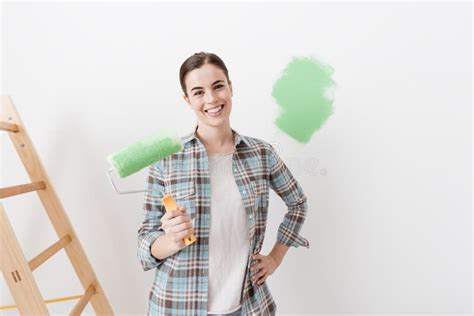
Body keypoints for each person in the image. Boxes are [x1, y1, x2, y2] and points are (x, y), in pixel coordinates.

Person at [137, 52, 310, 316]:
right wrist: (171, 241)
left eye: (218, 86)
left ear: (230, 88)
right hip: (177, 306)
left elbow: (297, 203)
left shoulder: (261, 154)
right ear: (187, 100)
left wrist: (275, 257)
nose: (211, 99)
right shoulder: (166, 159)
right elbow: (145, 245)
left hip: (247, 306)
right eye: (198, 92)